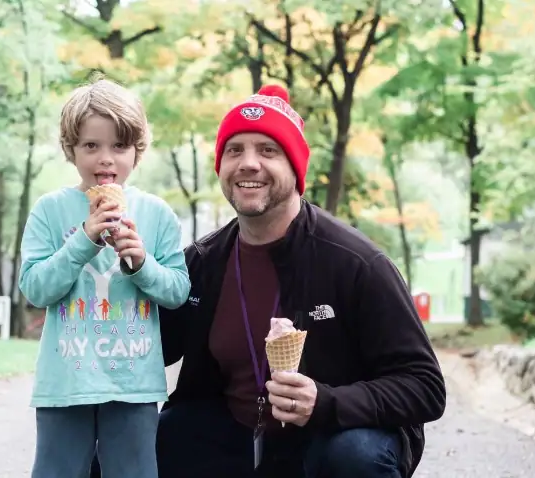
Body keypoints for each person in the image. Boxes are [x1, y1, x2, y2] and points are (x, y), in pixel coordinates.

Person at [156, 84, 446, 478]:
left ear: (295, 167)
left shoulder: (357, 263)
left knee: (355, 456)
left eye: (268, 150)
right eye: (234, 150)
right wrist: (125, 267)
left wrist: (325, 402)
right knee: (133, 444)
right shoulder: (202, 262)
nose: (248, 163)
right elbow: (156, 348)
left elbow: (425, 386)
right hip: (237, 433)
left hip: (332, 435)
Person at [19, 77, 190, 478]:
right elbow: (35, 288)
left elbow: (178, 291)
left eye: (119, 146)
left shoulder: (157, 214)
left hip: (133, 383)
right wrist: (83, 240)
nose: (105, 159)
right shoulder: (50, 210)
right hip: (66, 382)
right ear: (70, 150)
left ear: (137, 151)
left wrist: (141, 263)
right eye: (91, 146)